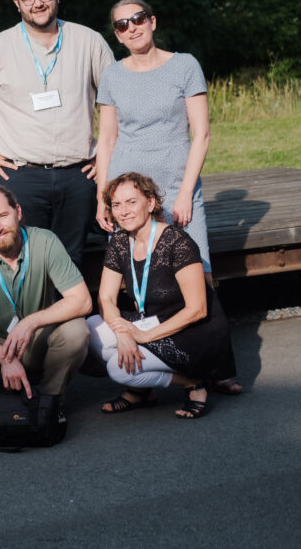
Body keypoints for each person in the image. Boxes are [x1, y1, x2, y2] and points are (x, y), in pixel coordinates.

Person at [95, 0, 244, 395]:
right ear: (116, 33)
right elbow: (106, 140)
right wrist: (101, 197)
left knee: (201, 277)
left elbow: (202, 134)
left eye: (138, 19)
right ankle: (141, 372)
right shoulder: (112, 75)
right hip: (128, 200)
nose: (132, 28)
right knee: (133, 278)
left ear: (153, 21)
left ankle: (218, 367)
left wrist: (183, 193)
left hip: (178, 191)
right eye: (122, 24)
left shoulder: (184, 65)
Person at [0, 0, 114, 269]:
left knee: (71, 260)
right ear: (16, 3)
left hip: (79, 174)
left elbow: (115, 102)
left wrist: (105, 157)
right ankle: (32, 318)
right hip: (21, 174)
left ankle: (69, 316)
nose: (38, 3)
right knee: (24, 259)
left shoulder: (88, 41)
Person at [86, 173, 235, 419]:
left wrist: (142, 336)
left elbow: (198, 309)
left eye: (132, 202)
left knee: (118, 368)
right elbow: (107, 299)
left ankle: (193, 382)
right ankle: (142, 391)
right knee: (90, 328)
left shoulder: (178, 242)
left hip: (192, 332)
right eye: (117, 205)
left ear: (151, 203)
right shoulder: (121, 242)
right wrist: (123, 333)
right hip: (152, 320)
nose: (123, 211)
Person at [0, 183, 92, 405]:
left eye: (2, 215)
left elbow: (82, 301)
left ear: (18, 212)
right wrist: (3, 357)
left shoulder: (45, 241)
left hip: (38, 335)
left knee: (77, 331)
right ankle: (9, 397)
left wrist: (30, 322)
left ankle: (50, 398)